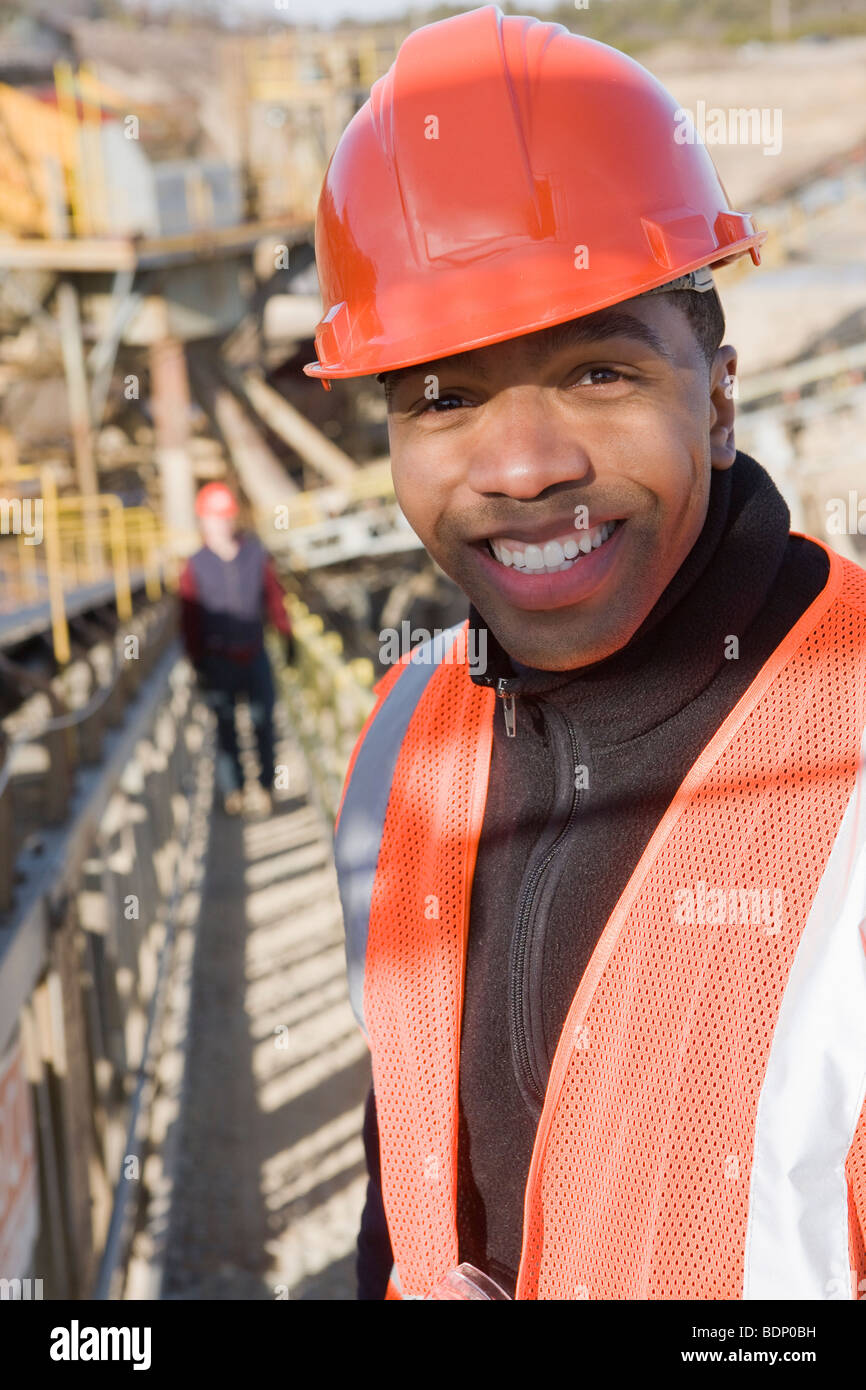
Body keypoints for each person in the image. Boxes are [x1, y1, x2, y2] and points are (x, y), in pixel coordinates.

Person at [305, 6, 866, 1300]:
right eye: (442, 396)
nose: (520, 466)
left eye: (598, 373)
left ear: (716, 401)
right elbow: (404, 1159)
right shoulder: (402, 736)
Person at [179, 481, 295, 816]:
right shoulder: (195, 565)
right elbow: (189, 617)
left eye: (226, 517)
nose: (221, 524)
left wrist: (286, 635)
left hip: (254, 653)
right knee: (226, 726)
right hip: (217, 661)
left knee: (264, 724)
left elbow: (274, 597)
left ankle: (266, 788)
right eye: (215, 518)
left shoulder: (255, 554)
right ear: (204, 521)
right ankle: (234, 791)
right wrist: (196, 660)